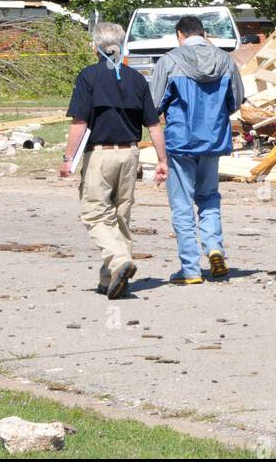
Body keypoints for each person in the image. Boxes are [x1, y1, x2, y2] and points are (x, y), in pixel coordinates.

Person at [61, 23, 169, 300]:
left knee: (95, 213)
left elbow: (81, 121)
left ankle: (120, 261)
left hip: (100, 154)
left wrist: (68, 158)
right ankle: (110, 278)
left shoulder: (89, 76)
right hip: (130, 153)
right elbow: (154, 125)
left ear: (95, 47)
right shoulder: (136, 79)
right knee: (121, 215)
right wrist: (161, 160)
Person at [149, 16, 244, 286]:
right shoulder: (225, 60)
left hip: (180, 141)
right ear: (204, 33)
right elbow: (236, 100)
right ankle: (215, 248)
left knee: (182, 205)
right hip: (213, 140)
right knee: (209, 197)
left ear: (180, 35)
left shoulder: (169, 61)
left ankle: (190, 269)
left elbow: (154, 102)